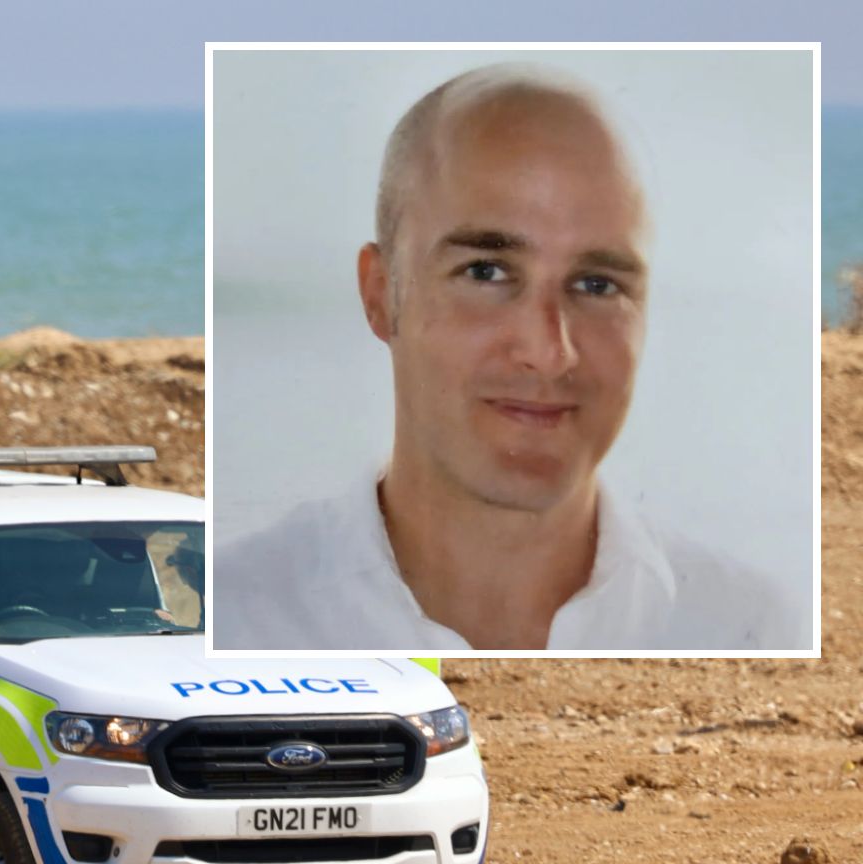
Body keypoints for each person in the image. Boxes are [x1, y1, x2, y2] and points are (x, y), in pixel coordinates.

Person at [215, 64, 802, 652]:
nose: (549, 352)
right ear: (379, 295)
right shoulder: (236, 618)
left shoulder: (746, 625)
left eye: (597, 284)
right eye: (486, 272)